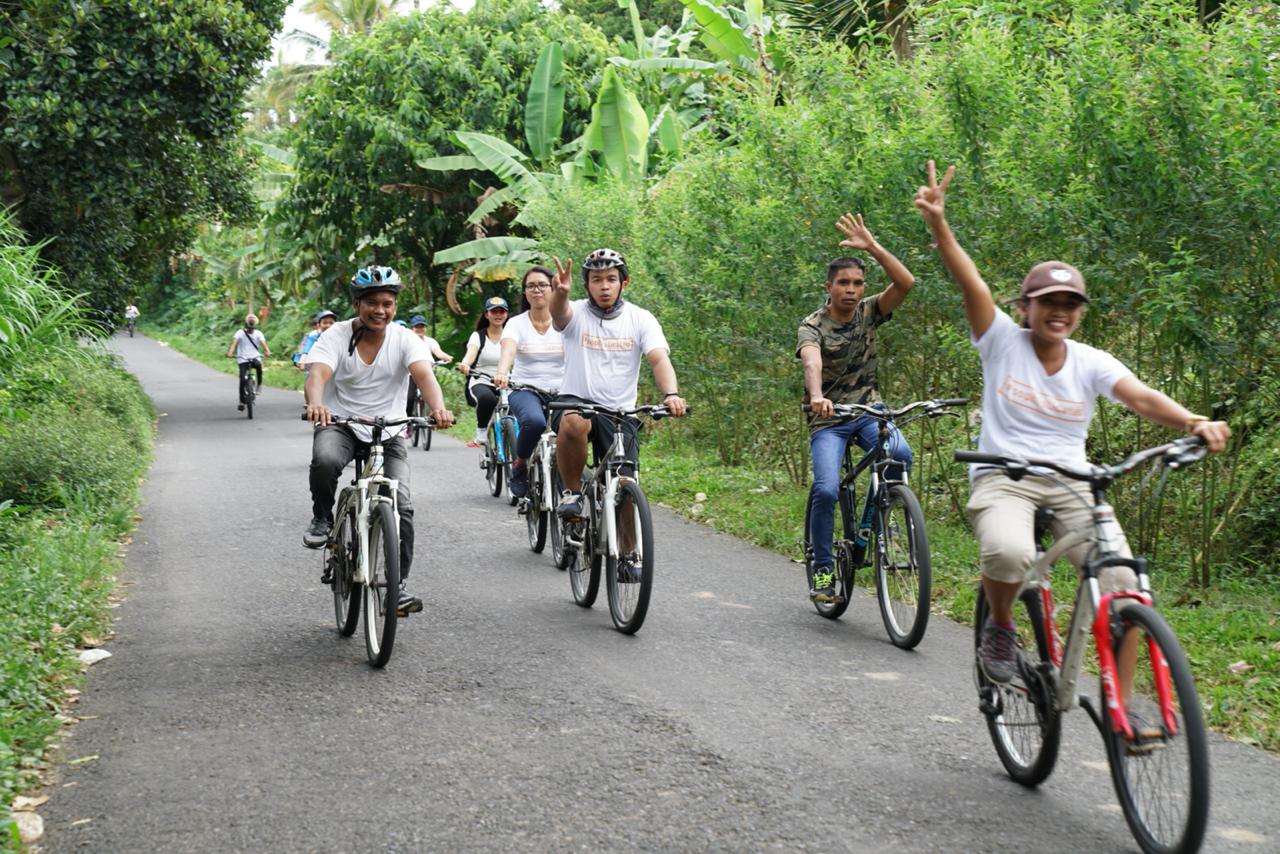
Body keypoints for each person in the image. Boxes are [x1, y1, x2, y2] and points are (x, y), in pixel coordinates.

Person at [913, 160, 1230, 732]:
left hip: (1072, 480)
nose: (1059, 312)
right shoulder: (1000, 341)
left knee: (1124, 586)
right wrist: (940, 224)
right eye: (1047, 302)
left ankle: (1124, 702)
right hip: (1003, 475)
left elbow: (1142, 397)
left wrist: (1192, 421)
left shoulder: (1090, 362)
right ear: (1024, 307)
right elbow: (971, 282)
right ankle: (1002, 626)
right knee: (1009, 552)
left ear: (1079, 313)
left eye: (1070, 304)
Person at [301, 265, 455, 615]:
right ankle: (323, 517)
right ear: (357, 304)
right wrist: (316, 404)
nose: (380, 310)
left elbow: (424, 374)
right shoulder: (337, 336)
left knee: (401, 503)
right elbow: (318, 374)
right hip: (340, 422)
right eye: (371, 302)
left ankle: (395, 588)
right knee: (325, 460)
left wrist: (439, 408)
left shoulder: (405, 339)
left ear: (395, 307)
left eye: (387, 303)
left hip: (388, 429)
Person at [798, 213, 919, 603]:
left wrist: (873, 247)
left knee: (899, 454)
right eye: (844, 283)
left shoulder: (869, 311)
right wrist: (818, 395)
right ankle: (821, 570)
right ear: (829, 287)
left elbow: (906, 283)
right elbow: (811, 361)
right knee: (827, 488)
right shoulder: (812, 325)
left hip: (868, 412)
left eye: (857, 284)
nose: (851, 290)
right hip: (829, 419)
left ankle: (884, 524)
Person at [548, 248, 687, 523]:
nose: (604, 286)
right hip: (577, 402)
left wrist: (671, 394)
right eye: (596, 279)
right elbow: (559, 315)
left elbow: (658, 359)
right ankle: (572, 492)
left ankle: (629, 557)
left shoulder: (641, 318)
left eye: (611, 279)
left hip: (620, 412)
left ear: (624, 282)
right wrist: (561, 292)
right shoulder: (575, 311)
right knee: (574, 421)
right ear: (587, 285)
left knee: (625, 487)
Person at [494, 265, 565, 499]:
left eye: (542, 285)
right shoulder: (516, 323)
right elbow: (508, 349)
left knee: (573, 428)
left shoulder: (565, 320)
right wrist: (503, 372)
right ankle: (521, 464)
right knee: (533, 422)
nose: (537, 290)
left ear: (553, 288)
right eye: (531, 286)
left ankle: (568, 479)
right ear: (525, 292)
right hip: (526, 388)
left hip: (564, 389)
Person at [457, 296, 509, 447]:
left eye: (502, 311)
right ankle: (481, 434)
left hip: (506, 381)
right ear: (487, 315)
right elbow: (470, 354)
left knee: (520, 405)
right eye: (494, 312)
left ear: (506, 314)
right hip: (481, 379)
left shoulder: (511, 335)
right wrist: (465, 365)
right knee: (487, 399)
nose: (498, 315)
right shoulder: (478, 336)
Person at [225, 314, 271, 411]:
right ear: (245, 326)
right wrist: (230, 352)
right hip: (243, 359)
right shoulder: (240, 333)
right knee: (242, 379)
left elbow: (264, 344)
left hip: (255, 357)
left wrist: (267, 351)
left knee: (258, 366)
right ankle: (241, 401)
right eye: (249, 328)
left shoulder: (258, 333)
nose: (251, 330)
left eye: (252, 328)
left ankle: (259, 385)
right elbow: (234, 343)